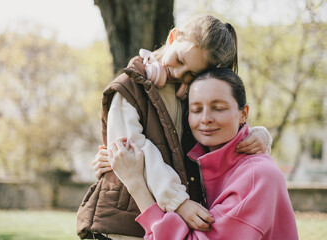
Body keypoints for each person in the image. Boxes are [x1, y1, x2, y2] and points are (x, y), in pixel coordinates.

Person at [77, 15, 272, 240]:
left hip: (160, 227)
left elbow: (218, 130)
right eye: (179, 60)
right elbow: (135, 152)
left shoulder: (189, 96)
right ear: (173, 37)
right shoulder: (128, 89)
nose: (179, 74)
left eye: (192, 73)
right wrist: (179, 202)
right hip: (119, 227)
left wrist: (257, 135)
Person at [108, 68, 298, 240]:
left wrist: (136, 184)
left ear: (244, 113)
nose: (205, 119)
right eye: (196, 110)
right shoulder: (194, 165)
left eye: (218, 108)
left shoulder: (259, 176)